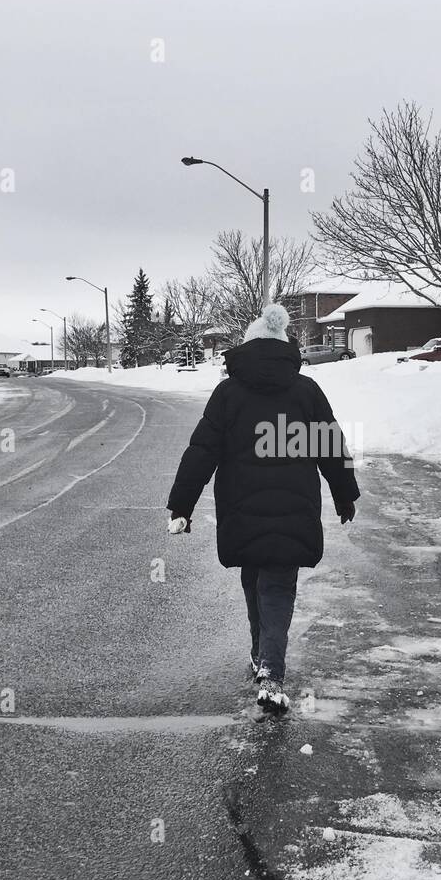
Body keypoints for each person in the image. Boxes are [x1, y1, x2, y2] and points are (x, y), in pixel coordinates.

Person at [166, 304, 360, 712]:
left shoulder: (228, 393)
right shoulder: (306, 391)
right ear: (285, 347)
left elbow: (201, 451)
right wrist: (345, 494)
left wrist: (181, 505)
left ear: (249, 345)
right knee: (277, 583)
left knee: (255, 576)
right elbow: (331, 447)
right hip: (293, 508)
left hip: (241, 507)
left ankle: (262, 658)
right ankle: (269, 668)